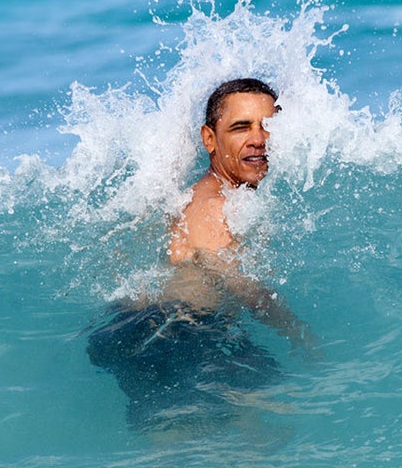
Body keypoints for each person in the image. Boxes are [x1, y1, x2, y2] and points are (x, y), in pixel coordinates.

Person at [86, 78, 317, 432]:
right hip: (172, 335)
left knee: (186, 454)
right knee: (262, 426)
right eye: (242, 127)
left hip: (152, 328)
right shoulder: (211, 206)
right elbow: (239, 285)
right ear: (210, 139)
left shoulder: (218, 195)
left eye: (268, 126)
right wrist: (299, 333)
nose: (259, 138)